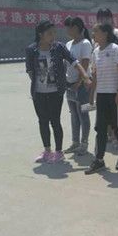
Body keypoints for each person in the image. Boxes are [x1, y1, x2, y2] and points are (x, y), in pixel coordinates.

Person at [26, 21, 90, 163]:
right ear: (40, 34)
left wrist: (85, 76)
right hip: (39, 93)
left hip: (55, 92)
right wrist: (41, 84)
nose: (53, 36)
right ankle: (47, 151)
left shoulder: (59, 47)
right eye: (50, 33)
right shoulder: (31, 50)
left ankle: (59, 152)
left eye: (54, 32)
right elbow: (30, 70)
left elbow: (74, 61)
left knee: (55, 121)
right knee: (43, 121)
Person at [85, 24, 118, 174]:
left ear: (105, 33)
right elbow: (95, 75)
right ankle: (99, 159)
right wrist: (92, 95)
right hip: (102, 95)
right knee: (100, 127)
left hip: (115, 94)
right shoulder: (96, 52)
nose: (93, 34)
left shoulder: (115, 49)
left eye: (96, 31)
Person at [63, 17, 93, 155]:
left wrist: (79, 82)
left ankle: (84, 144)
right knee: (74, 115)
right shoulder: (68, 44)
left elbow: (85, 64)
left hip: (82, 86)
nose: (67, 30)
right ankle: (75, 143)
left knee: (83, 114)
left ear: (76, 28)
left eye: (69, 27)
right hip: (70, 84)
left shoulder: (85, 43)